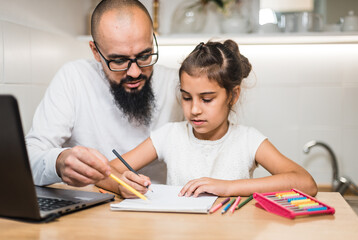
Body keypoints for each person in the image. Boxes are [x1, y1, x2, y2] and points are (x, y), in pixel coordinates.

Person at [98, 40, 318, 198]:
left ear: (233, 95)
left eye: (207, 99)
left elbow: (305, 183)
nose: (194, 109)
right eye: (186, 98)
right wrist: (120, 185)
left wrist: (229, 187)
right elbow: (101, 173)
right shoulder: (169, 136)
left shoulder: (248, 140)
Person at [25, 0, 183, 186]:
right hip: (92, 209)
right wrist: (59, 162)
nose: (134, 72)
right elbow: (29, 157)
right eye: (118, 60)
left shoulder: (177, 85)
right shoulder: (74, 78)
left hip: (157, 207)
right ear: (95, 52)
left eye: (144, 56)